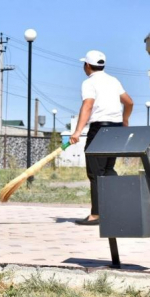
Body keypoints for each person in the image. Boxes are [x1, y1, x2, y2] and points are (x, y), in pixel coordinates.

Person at [70, 50, 133, 226]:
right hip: (116, 129)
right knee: (108, 170)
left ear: (87, 65)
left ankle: (96, 215)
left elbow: (88, 105)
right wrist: (125, 120)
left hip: (99, 130)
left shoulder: (89, 82)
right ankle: (118, 209)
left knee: (96, 173)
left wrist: (77, 131)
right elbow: (129, 102)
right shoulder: (113, 81)